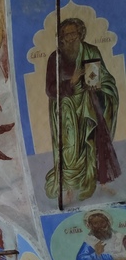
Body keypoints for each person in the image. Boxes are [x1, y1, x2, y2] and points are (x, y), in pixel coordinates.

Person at [45, 18, 120, 201]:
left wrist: (97, 84)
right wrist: (71, 83)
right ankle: (70, 187)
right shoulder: (55, 58)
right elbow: (50, 89)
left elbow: (103, 78)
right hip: (67, 108)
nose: (70, 38)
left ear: (80, 33)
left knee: (95, 142)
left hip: (90, 104)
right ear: (61, 37)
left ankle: (101, 182)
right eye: (66, 34)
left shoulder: (91, 51)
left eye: (73, 33)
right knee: (70, 148)